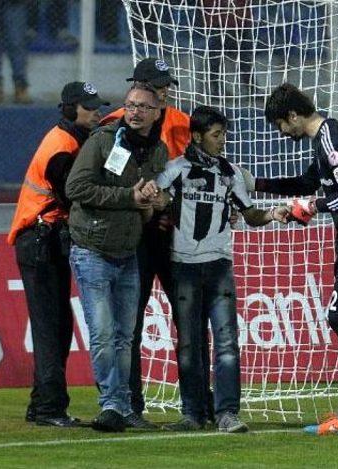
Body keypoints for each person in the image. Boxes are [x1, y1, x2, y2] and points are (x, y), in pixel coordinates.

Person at [244, 83, 338, 436]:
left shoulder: (332, 139)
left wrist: (312, 206)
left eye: (281, 124)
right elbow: (309, 182)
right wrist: (259, 184)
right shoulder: (324, 140)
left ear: (293, 116)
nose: (282, 132)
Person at [150, 106, 290, 432]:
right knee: (188, 343)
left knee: (227, 342)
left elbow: (250, 213)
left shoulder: (230, 174)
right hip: (183, 267)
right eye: (216, 135)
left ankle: (227, 413)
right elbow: (156, 201)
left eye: (224, 134)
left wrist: (272, 215)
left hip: (219, 267)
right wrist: (155, 202)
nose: (223, 141)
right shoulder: (175, 171)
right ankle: (193, 414)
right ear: (197, 136)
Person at [98, 57, 201, 428]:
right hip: (134, 236)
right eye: (158, 85)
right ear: (139, 89)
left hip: (176, 233)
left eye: (165, 86)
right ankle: (129, 406)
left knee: (189, 319)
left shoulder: (184, 124)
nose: (165, 91)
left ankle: (195, 407)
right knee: (128, 324)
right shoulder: (115, 129)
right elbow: (106, 182)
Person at [66, 82, 169, 432]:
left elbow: (155, 199)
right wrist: (130, 197)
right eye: (130, 105)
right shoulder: (103, 140)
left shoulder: (159, 151)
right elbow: (75, 188)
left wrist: (158, 201)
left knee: (125, 336)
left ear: (157, 113)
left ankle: (122, 408)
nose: (135, 111)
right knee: (104, 334)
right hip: (92, 248)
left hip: (127, 251)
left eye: (143, 106)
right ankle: (111, 404)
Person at [7, 81, 109, 427]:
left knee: (58, 324)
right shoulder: (61, 148)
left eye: (98, 106)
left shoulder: (69, 139)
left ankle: (44, 406)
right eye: (90, 106)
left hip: (43, 238)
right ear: (69, 109)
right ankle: (49, 407)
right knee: (52, 325)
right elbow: (74, 196)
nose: (97, 112)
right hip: (40, 239)